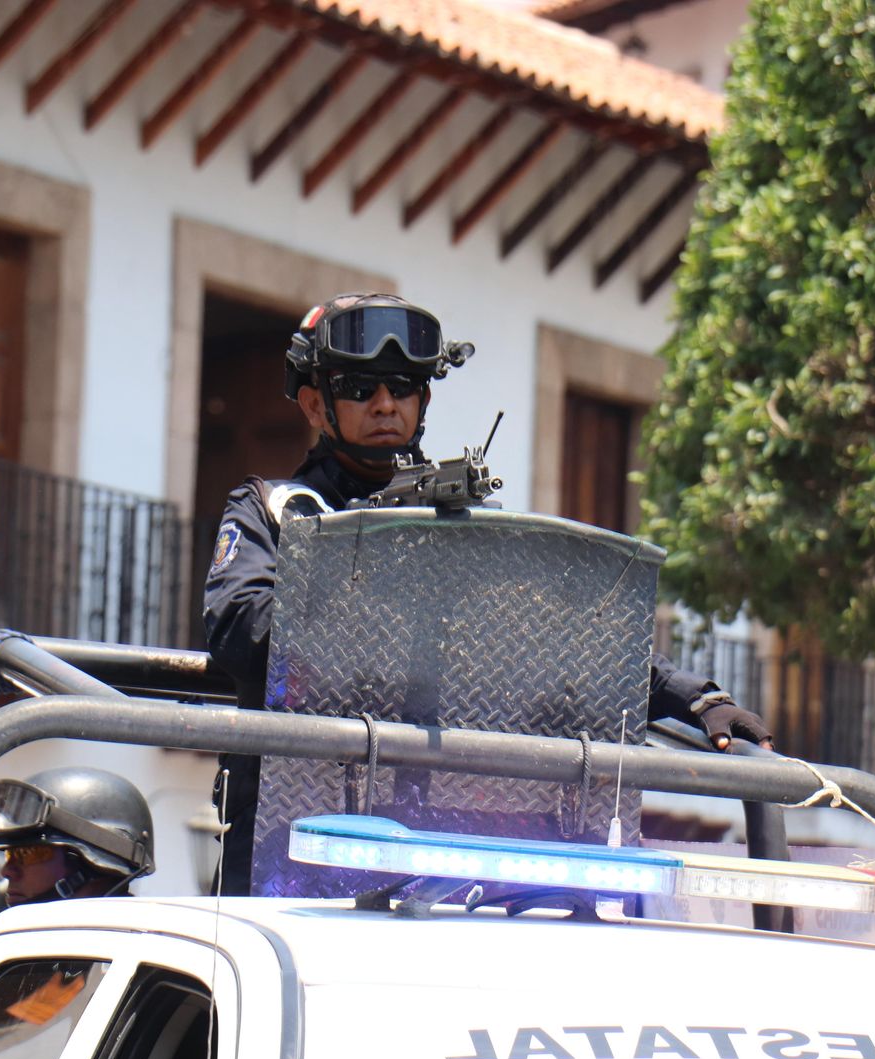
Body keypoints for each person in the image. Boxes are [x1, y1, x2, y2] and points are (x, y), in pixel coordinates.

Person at [202, 293, 772, 894]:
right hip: (289, 855)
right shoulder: (274, 511)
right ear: (316, 404)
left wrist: (698, 699)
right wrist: (372, 574)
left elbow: (564, 641)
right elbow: (243, 632)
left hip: (439, 863)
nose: (385, 404)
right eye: (360, 388)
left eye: (403, 387)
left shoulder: (457, 525)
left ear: (423, 400)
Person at [0, 767, 155, 906]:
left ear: (93, 866)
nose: (6, 871)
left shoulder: (140, 938)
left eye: (27, 853)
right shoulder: (16, 939)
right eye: (9, 855)